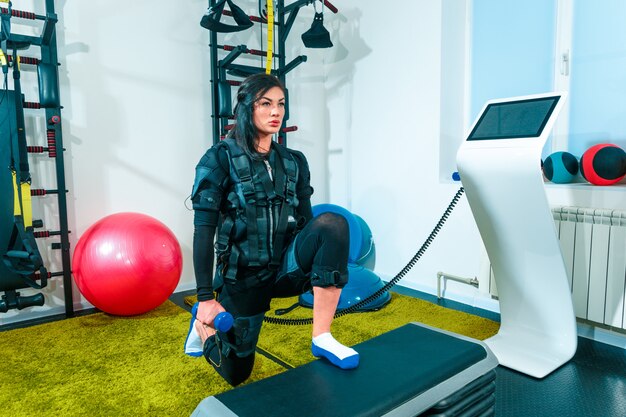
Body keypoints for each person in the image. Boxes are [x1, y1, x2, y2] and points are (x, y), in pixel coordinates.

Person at [185, 73, 359, 386]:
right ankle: (206, 331)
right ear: (247, 108)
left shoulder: (294, 161)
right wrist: (204, 297)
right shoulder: (218, 159)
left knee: (333, 223)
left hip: (283, 270)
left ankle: (322, 336)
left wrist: (318, 262)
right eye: (266, 104)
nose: (275, 111)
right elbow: (203, 231)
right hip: (243, 278)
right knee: (237, 373)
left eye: (280, 104)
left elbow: (306, 223)